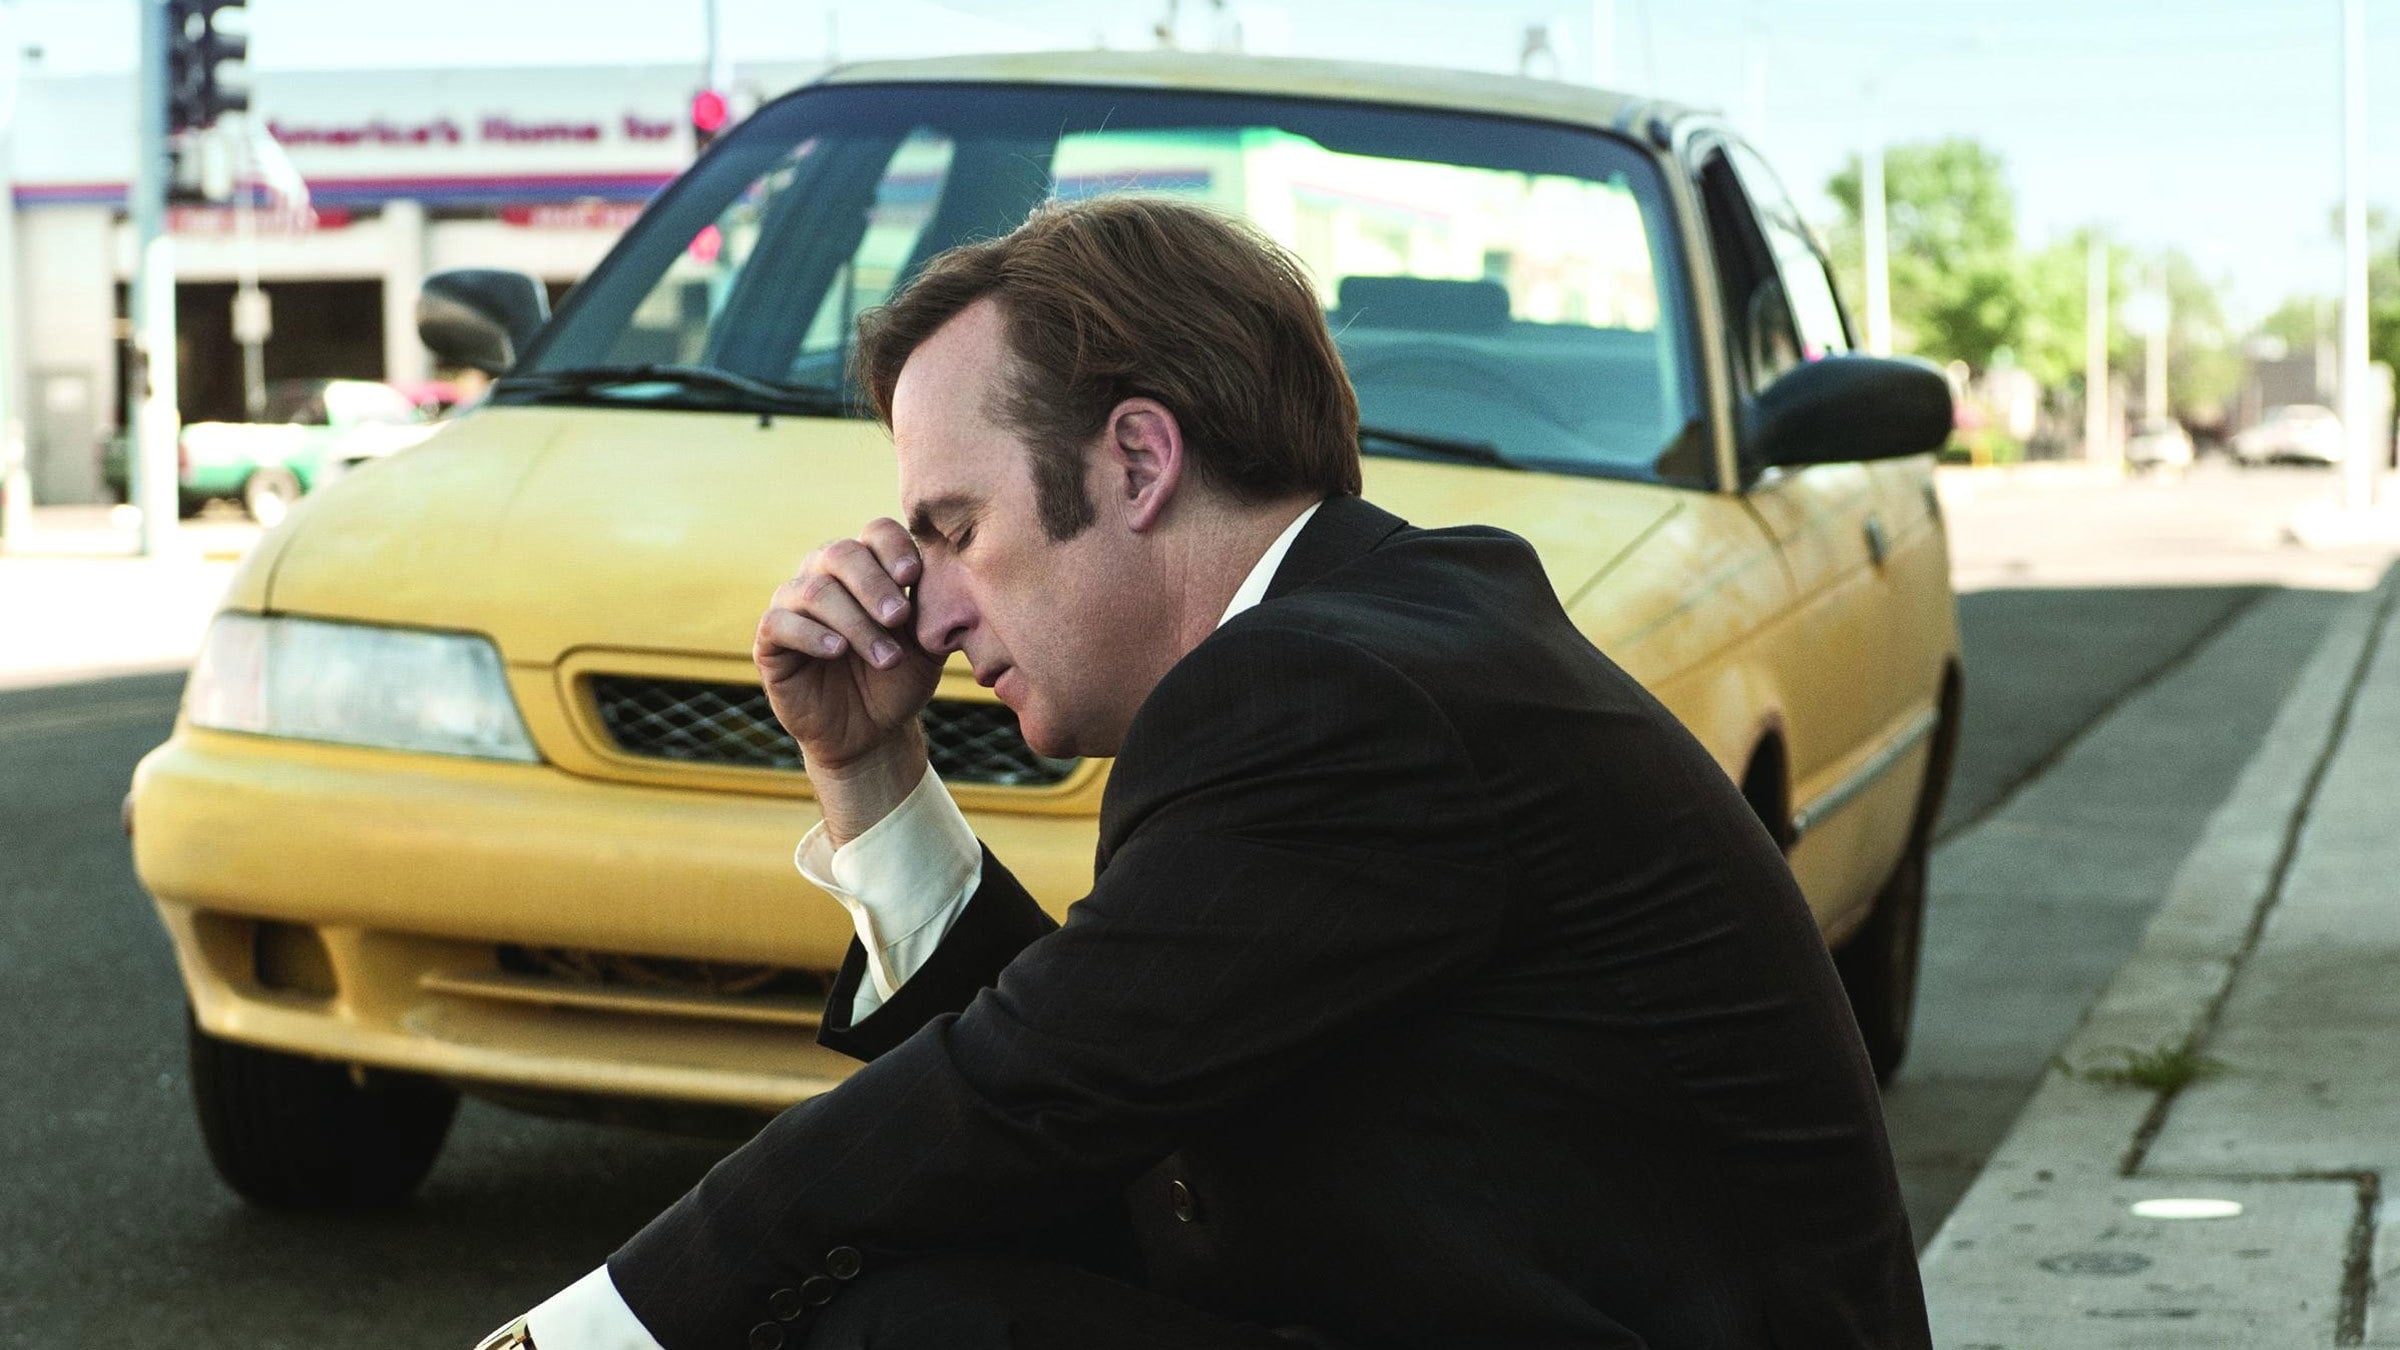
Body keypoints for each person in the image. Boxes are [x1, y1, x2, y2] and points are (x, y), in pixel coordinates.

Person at [486, 196, 1931, 1350]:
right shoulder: (1372, 637)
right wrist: (868, 769)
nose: (926, 611)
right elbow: (1110, 1072)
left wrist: (588, 1330)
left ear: (1136, 460)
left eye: (955, 528)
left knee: (902, 1328)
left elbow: (1029, 1092)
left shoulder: (1332, 695)